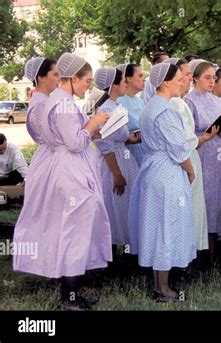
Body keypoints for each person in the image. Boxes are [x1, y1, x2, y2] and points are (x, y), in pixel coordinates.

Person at [13, 52, 111, 310]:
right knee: (74, 230)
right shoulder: (64, 103)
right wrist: (92, 124)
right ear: (74, 78)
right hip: (69, 170)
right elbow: (75, 142)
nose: (90, 86)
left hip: (62, 165)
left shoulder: (55, 99)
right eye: (87, 80)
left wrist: (91, 130)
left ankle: (71, 291)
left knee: (70, 229)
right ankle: (69, 297)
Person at [128, 63, 196, 302]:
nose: (182, 83)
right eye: (178, 79)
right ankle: (163, 288)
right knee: (166, 225)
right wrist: (190, 170)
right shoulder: (165, 111)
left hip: (153, 170)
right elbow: (178, 147)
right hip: (166, 171)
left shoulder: (150, 108)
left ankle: (160, 282)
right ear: (165, 82)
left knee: (157, 226)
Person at [184, 59, 221, 263]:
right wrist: (206, 135)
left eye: (213, 78)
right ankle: (202, 252)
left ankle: (217, 249)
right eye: (207, 77)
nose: (211, 81)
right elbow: (189, 133)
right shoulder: (189, 101)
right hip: (202, 154)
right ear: (195, 78)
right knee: (205, 200)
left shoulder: (217, 101)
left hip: (220, 155)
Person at [168, 57, 218, 253]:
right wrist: (204, 138)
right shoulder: (178, 103)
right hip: (187, 158)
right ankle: (187, 252)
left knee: (194, 207)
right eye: (187, 75)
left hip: (192, 156)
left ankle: (192, 251)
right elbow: (184, 139)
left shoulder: (179, 102)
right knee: (188, 207)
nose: (189, 79)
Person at [93, 67, 140, 265]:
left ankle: (127, 252)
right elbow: (104, 143)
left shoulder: (115, 107)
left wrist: (132, 138)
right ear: (114, 85)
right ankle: (109, 258)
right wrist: (117, 174)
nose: (125, 84)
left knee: (125, 207)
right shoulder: (106, 109)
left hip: (124, 156)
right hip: (113, 163)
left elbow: (119, 136)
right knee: (113, 207)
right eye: (122, 82)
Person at [23, 57, 59, 170]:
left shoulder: (45, 100)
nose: (60, 78)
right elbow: (53, 137)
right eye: (55, 74)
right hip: (50, 161)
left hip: (52, 157)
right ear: (41, 78)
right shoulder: (40, 104)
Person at [117, 63, 146, 166]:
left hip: (144, 150)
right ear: (128, 78)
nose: (144, 79)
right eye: (140, 76)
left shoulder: (140, 101)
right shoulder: (118, 102)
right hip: (128, 152)